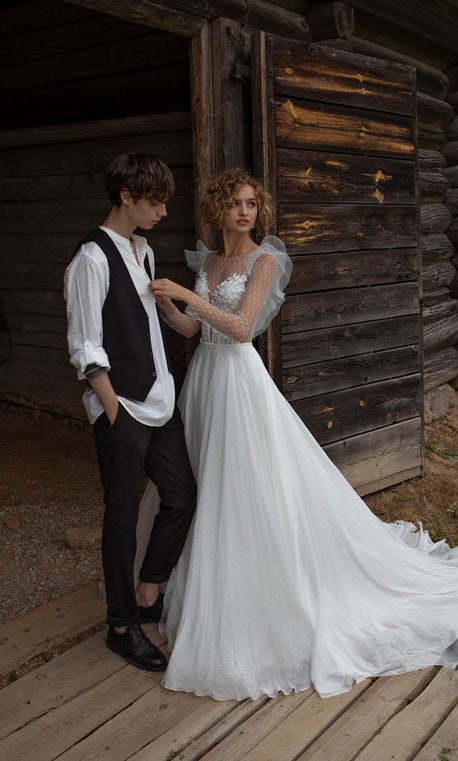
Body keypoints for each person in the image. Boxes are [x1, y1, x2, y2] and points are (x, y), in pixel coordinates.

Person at [139, 168, 458, 700]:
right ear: (217, 208)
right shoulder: (209, 261)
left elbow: (241, 328)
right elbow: (196, 331)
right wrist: (167, 306)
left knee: (245, 486)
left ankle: (261, 594)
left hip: (239, 381)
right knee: (203, 482)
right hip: (204, 381)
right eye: (235, 203)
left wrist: (188, 293)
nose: (245, 212)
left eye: (252, 203)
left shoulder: (264, 260)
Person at [64, 153, 197, 672]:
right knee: (120, 519)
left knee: (181, 496)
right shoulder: (91, 258)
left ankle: (148, 592)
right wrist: (113, 408)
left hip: (159, 399)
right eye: (155, 201)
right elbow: (85, 344)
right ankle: (121, 626)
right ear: (126, 196)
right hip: (121, 408)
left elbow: (145, 329)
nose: (163, 211)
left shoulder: (145, 251)